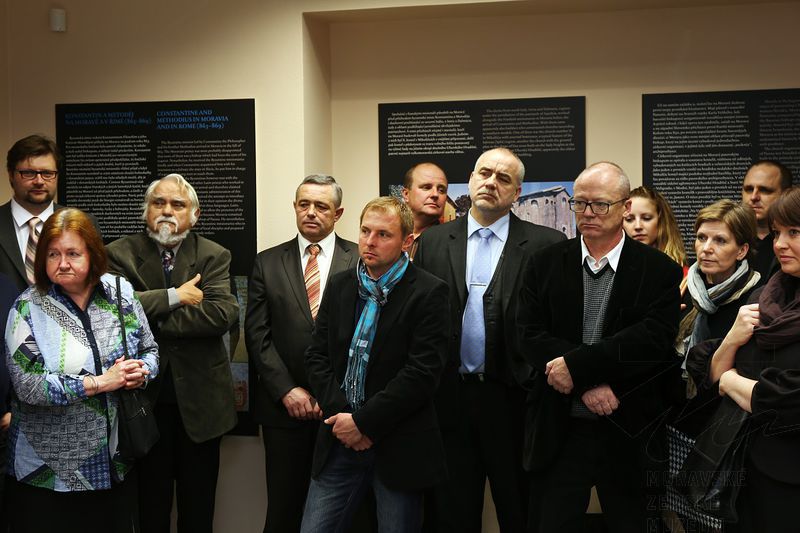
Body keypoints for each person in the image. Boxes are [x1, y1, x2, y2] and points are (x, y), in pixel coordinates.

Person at [517, 161, 682, 532]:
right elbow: (528, 334)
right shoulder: (543, 263)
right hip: (558, 430)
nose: (588, 213)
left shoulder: (659, 270)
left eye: (601, 204)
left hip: (629, 429)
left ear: (625, 207)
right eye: (580, 203)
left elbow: (651, 341)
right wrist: (589, 382)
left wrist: (578, 369)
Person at [414, 147, 565, 532]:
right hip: (449, 401)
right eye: (484, 173)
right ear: (471, 179)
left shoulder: (546, 245)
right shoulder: (433, 243)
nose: (491, 183)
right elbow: (419, 323)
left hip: (513, 402)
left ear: (517, 192)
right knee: (452, 516)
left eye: (503, 178)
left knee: (518, 510)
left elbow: (555, 325)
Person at [4, 208, 158, 533]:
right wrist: (101, 383)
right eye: (53, 254)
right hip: (48, 473)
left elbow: (150, 350)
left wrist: (142, 371)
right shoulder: (27, 307)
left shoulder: (121, 293)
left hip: (113, 465)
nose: (62, 263)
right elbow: (29, 386)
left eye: (73, 253)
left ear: (93, 254)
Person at [300, 196, 449, 533]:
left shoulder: (429, 292)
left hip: (398, 444)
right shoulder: (341, 285)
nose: (370, 241)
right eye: (365, 231)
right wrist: (345, 420)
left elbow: (421, 374)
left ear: (407, 242)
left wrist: (364, 423)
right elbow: (316, 356)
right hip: (339, 437)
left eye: (383, 234)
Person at [106, 173, 238, 533]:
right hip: (143, 403)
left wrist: (147, 316)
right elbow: (114, 314)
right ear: (146, 210)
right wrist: (176, 296)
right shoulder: (118, 254)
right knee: (150, 510)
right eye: (158, 202)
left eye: (177, 204)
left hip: (202, 405)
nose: (167, 210)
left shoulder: (213, 255)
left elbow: (220, 315)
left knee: (198, 511)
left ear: (194, 215)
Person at [245, 174, 358, 533]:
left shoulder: (360, 258)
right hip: (284, 411)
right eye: (304, 204)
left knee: (343, 513)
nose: (311, 212)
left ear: (337, 213)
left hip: (343, 410)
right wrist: (287, 390)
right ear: (295, 207)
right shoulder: (267, 262)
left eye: (321, 206)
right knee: (284, 508)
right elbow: (257, 335)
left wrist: (334, 395)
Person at [687, 187, 800, 532]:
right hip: (743, 466)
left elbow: (788, 401)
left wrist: (731, 380)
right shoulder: (766, 296)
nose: (780, 244)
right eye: (777, 233)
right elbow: (707, 369)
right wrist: (733, 339)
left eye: (794, 232)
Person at [665, 200, 760, 531]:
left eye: (720, 240)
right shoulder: (686, 289)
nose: (706, 248)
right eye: (701, 238)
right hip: (677, 424)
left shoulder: (755, 300)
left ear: (742, 250)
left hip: (720, 435)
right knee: (679, 519)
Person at [0, 135, 64, 293]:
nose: (39, 181)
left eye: (47, 173)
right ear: (11, 175)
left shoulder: (83, 224)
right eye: (29, 173)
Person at [741, 160, 793, 281]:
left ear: (785, 194)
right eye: (749, 189)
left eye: (765, 190)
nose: (754, 197)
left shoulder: (795, 244)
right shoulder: (729, 240)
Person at [623, 185, 686, 268]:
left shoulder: (681, 272)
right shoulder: (615, 268)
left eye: (646, 218)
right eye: (629, 219)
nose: (638, 226)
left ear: (661, 220)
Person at [401, 162, 448, 260]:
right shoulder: (389, 236)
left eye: (441, 190)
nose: (435, 194)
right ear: (406, 194)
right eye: (426, 187)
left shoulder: (451, 243)